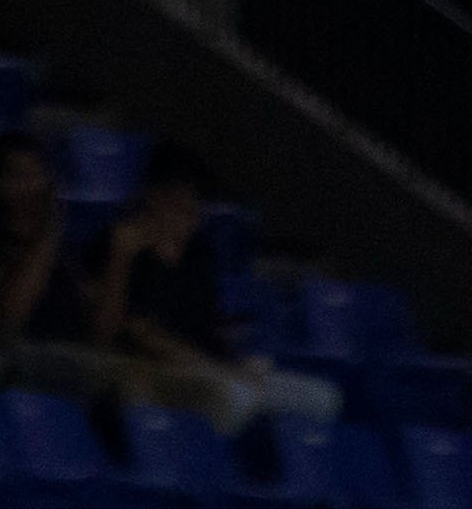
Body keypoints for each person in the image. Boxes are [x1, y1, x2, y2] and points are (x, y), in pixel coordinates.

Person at [88, 145, 342, 431]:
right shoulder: (119, 246)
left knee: (321, 397)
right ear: (152, 196)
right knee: (235, 397)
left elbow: (217, 323)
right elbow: (136, 332)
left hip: (210, 366)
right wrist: (217, 370)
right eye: (176, 200)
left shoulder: (199, 252)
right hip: (154, 369)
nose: (188, 212)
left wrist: (244, 358)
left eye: (193, 202)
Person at [0, 131, 92, 391]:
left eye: (37, 174)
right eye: (18, 176)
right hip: (8, 356)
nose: (30, 185)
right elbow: (10, 315)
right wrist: (50, 232)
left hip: (69, 352)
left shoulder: (69, 249)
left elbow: (95, 324)